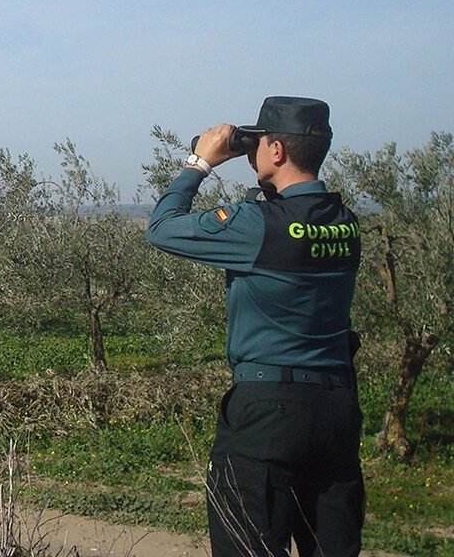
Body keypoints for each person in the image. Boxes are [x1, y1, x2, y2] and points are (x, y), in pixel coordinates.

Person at [145, 96, 363, 556]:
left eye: (259, 144)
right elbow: (293, 221)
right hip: (336, 412)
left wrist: (199, 162)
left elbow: (162, 227)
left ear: (278, 152)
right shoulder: (347, 225)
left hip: (268, 413)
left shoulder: (254, 226)